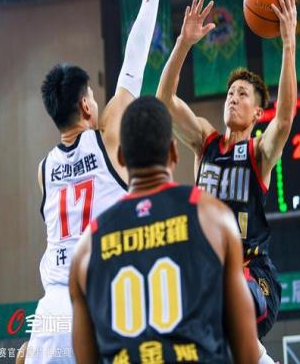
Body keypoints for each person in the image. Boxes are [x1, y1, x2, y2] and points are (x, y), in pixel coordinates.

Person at [23, 0, 169, 363]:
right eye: (94, 96)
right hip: (104, 300)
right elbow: (133, 66)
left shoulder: (43, 170)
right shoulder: (107, 139)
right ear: (87, 105)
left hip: (51, 313)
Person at [156, 0, 297, 362]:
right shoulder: (206, 142)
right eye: (230, 93)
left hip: (255, 277)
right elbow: (164, 102)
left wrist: (288, 44)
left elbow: (285, 120)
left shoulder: (259, 153)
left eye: (243, 94)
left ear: (257, 114)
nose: (233, 97)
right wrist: (183, 44)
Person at [69, 96, 259, 364]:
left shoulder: (86, 247)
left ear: (121, 157)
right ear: (173, 152)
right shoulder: (214, 218)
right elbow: (247, 354)